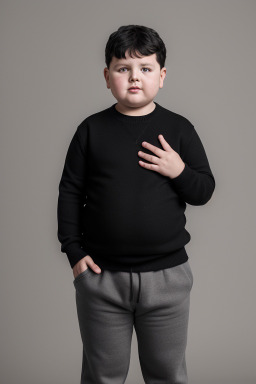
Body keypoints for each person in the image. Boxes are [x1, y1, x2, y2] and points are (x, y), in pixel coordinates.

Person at [57, 24, 215, 384]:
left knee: (167, 375)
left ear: (161, 76)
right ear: (106, 76)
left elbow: (203, 191)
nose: (134, 77)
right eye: (122, 68)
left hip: (168, 279)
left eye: (145, 69)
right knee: (102, 376)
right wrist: (73, 252)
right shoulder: (91, 130)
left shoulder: (179, 129)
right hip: (101, 278)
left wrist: (179, 171)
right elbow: (69, 192)